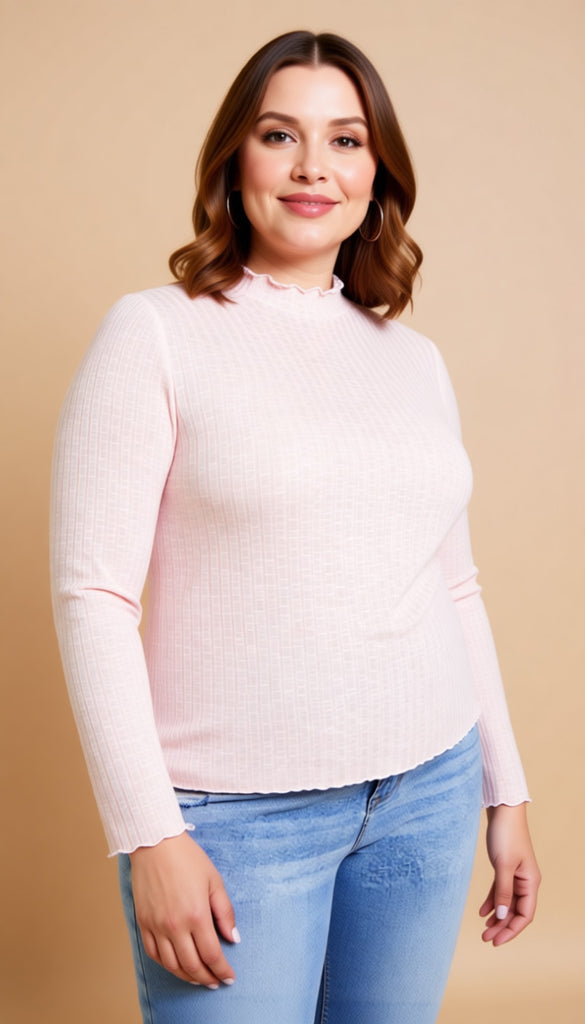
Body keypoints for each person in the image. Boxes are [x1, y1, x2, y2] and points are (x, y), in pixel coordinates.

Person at [50, 30, 540, 1024]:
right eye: (281, 135)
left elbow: (456, 587)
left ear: (377, 174)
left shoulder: (414, 359)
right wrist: (150, 834)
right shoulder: (156, 332)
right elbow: (94, 597)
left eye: (347, 140)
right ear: (234, 162)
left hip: (426, 797)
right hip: (235, 822)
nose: (316, 166)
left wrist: (506, 791)